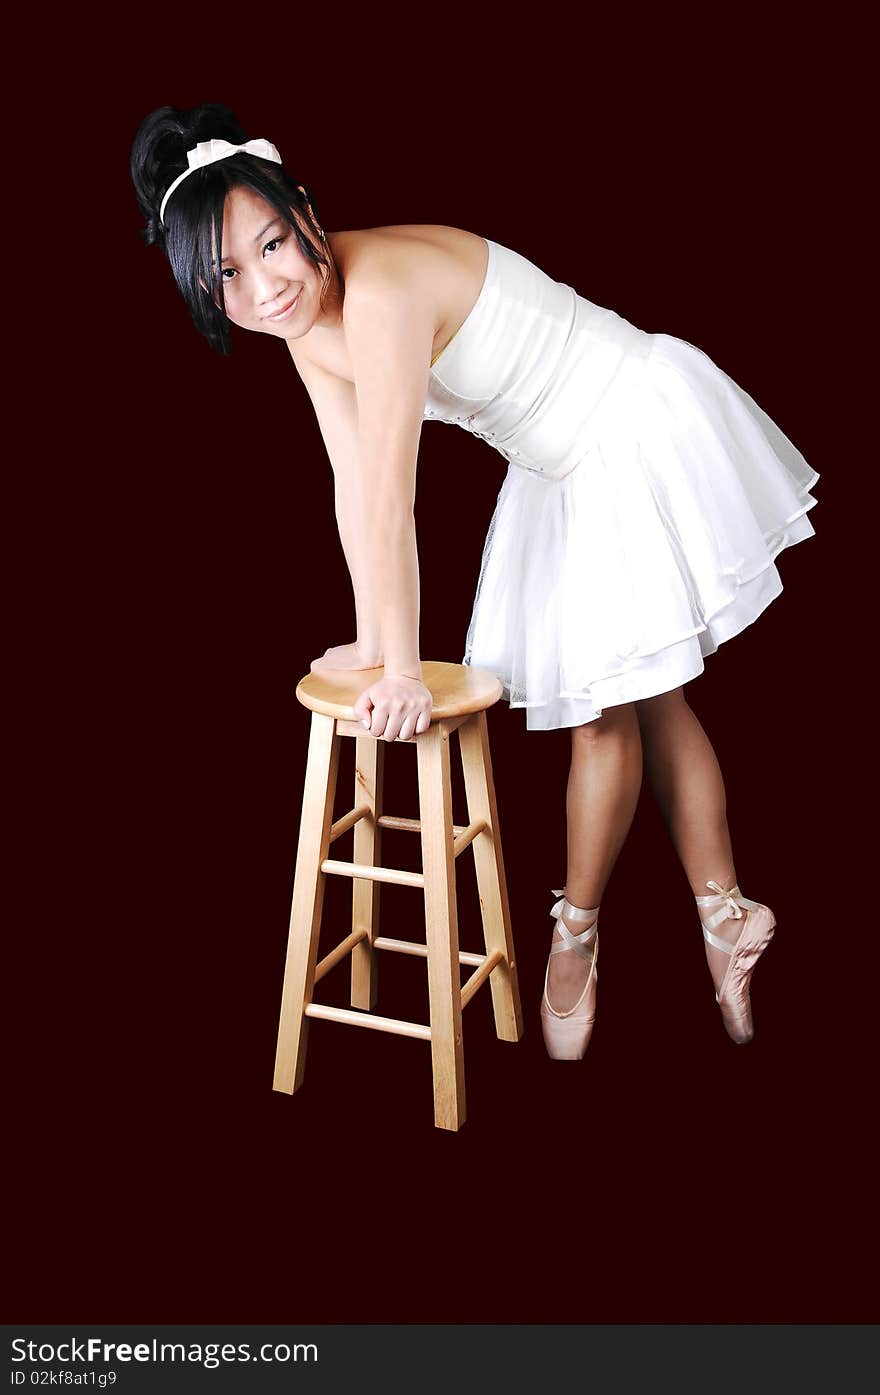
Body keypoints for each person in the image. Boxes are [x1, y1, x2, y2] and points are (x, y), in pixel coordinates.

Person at [130, 103, 820, 1061]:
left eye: (274, 243)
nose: (266, 285)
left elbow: (392, 497)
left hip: (622, 426)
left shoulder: (375, 298)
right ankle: (727, 914)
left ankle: (573, 934)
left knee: (601, 714)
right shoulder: (306, 325)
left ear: (304, 211)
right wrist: (374, 642)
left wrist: (406, 669)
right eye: (228, 277)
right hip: (559, 466)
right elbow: (347, 484)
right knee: (653, 700)